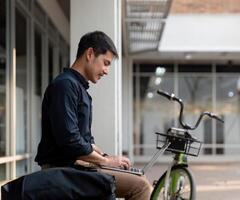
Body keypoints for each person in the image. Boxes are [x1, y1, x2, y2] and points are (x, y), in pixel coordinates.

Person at [35, 31, 152, 200]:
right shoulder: (65, 86)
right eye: (105, 63)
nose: (106, 71)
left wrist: (106, 157)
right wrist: (106, 162)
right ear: (90, 54)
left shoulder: (77, 87)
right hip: (63, 170)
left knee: (137, 176)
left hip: (75, 167)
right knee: (140, 186)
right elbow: (70, 141)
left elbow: (85, 140)